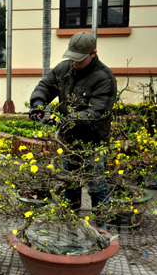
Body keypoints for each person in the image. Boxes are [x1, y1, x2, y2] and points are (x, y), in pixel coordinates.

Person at [28, 32, 117, 224]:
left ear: (93, 53)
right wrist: (38, 104)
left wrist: (63, 120)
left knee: (97, 185)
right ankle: (70, 222)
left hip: (93, 141)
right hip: (68, 140)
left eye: (79, 59)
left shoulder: (104, 78)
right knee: (70, 184)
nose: (75, 63)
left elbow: (96, 113)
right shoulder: (64, 69)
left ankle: (103, 227)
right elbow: (45, 85)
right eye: (72, 58)